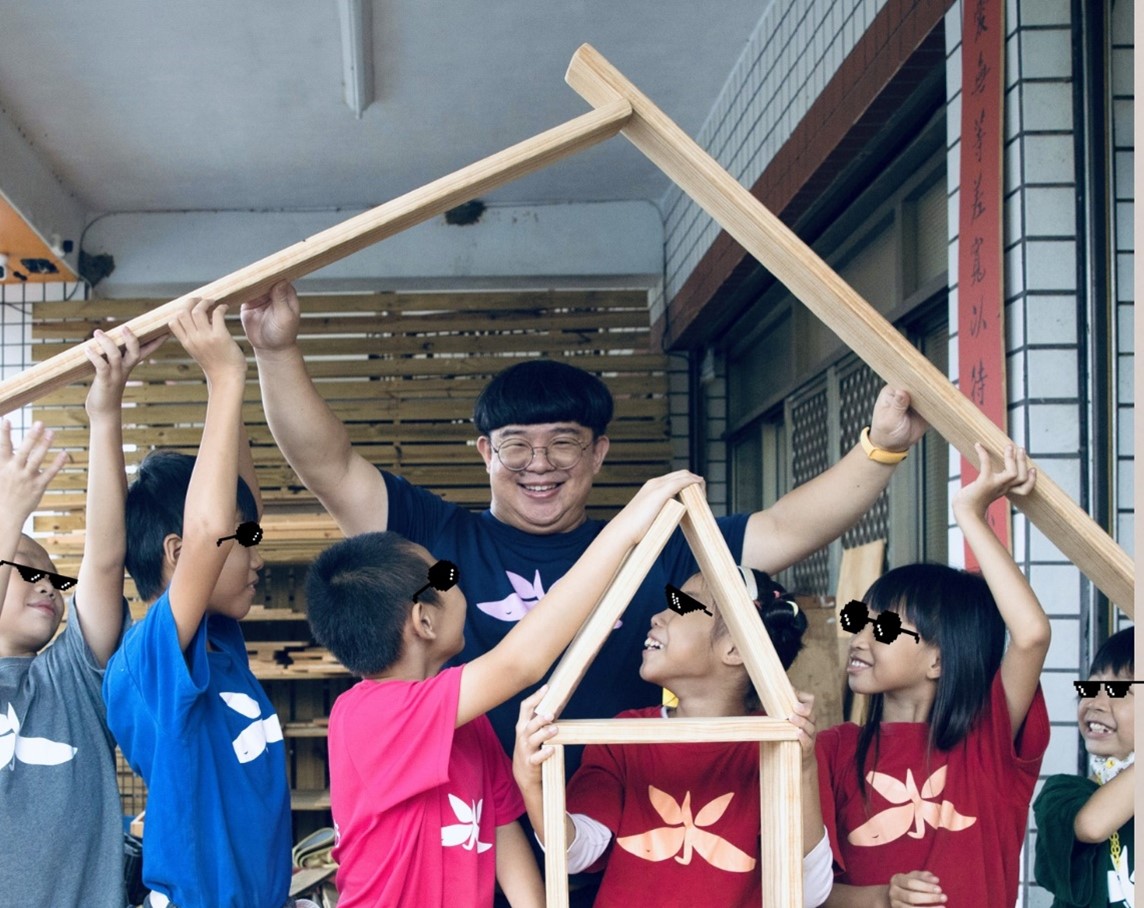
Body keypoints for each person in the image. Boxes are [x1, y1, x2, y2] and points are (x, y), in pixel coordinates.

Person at [241, 280, 928, 764]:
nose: (539, 464)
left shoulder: (657, 546)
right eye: (515, 445)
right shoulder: (434, 540)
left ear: (598, 452)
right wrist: (275, 352)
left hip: (626, 836)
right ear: (484, 453)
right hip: (480, 840)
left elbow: (784, 529)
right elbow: (328, 465)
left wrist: (882, 447)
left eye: (564, 443)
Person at [303, 469, 704, 908]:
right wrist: (627, 528)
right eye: (444, 577)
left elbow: (501, 829)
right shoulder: (369, 715)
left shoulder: (466, 722)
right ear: (424, 620)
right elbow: (520, 663)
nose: (459, 581)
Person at [103, 299, 301, 908]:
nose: (258, 558)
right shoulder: (151, 658)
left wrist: (245, 357)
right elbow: (216, 525)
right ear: (179, 552)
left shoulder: (217, 641)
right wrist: (223, 375)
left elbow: (238, 509)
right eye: (245, 545)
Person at [513, 566, 834, 907]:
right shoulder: (623, 736)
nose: (657, 616)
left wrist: (803, 769)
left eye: (682, 605)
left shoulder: (780, 746)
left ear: (735, 648)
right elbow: (576, 853)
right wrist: (533, 786)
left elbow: (808, 891)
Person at [816, 444, 1051, 907]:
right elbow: (805, 892)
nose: (859, 639)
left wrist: (970, 514)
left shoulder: (988, 742)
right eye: (858, 621)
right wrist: (881, 898)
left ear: (939, 661)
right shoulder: (833, 749)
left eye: (883, 628)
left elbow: (1031, 635)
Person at [0, 327, 159, 907]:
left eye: (54, 578)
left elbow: (105, 558)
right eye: (26, 571)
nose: (48, 585)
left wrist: (105, 413)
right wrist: (8, 514)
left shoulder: (70, 678)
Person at [1033, 627, 1135, 907]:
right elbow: (1092, 826)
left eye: (1118, 691)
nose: (1096, 703)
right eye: (1091, 688)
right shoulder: (1062, 794)